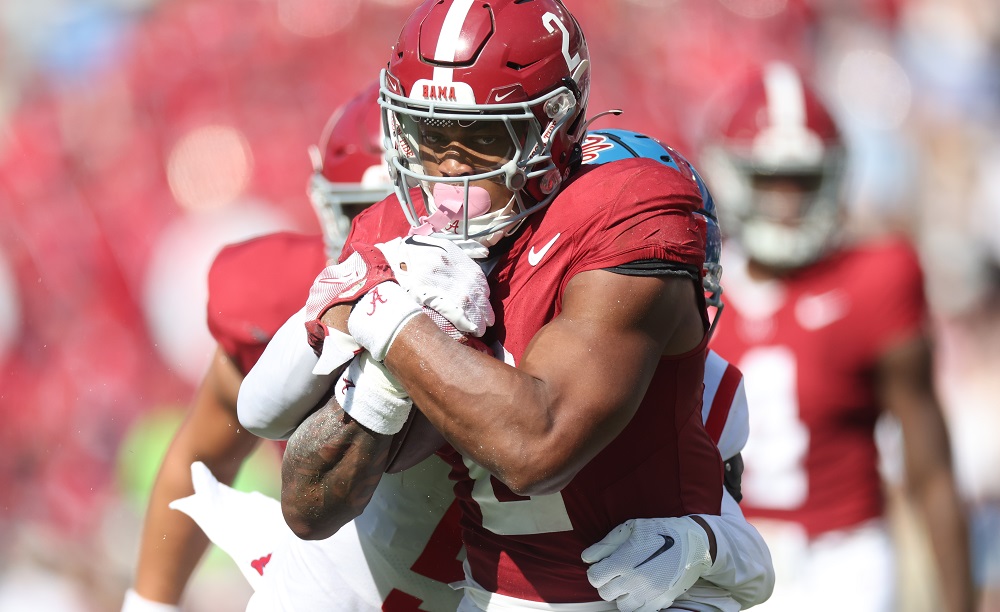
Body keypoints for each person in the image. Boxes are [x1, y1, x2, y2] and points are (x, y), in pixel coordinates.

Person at [125, 79, 769, 612]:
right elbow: (218, 446)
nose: (436, 221)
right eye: (368, 210)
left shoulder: (604, 334)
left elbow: (736, 544)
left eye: (475, 172)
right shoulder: (307, 301)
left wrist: (708, 547)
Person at [698, 61, 975, 612]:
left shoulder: (877, 278)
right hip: (724, 550)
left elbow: (931, 468)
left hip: (843, 564)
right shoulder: (692, 286)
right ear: (732, 175)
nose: (785, 203)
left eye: (802, 182)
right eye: (768, 180)